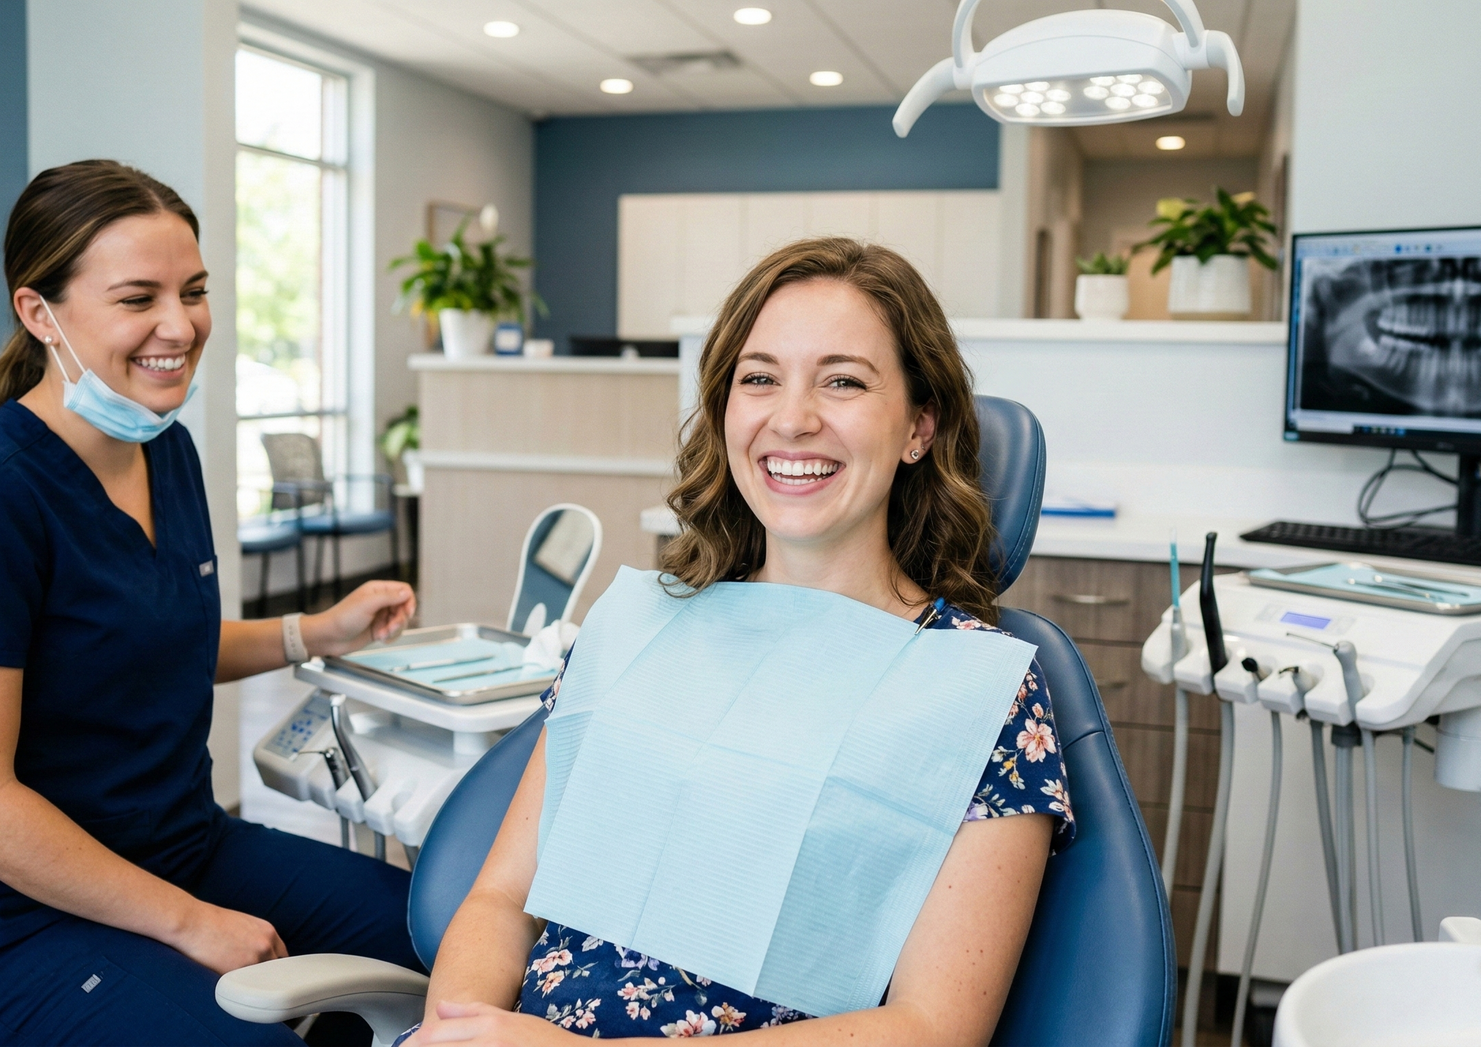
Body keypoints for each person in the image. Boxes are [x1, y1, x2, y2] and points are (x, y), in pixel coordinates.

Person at [403, 238, 1075, 1046]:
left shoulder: (981, 694)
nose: (792, 418)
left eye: (844, 380)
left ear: (919, 428)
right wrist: (460, 1029)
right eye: (760, 378)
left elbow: (933, 1027)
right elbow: (502, 900)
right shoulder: (637, 631)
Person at [0, 160, 420, 1046]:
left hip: (179, 845)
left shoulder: (166, 451)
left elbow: (148, 641)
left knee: (450, 933)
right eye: (139, 298)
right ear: (39, 313)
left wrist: (313, 632)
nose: (182, 324)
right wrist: (187, 920)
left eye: (194, 290)